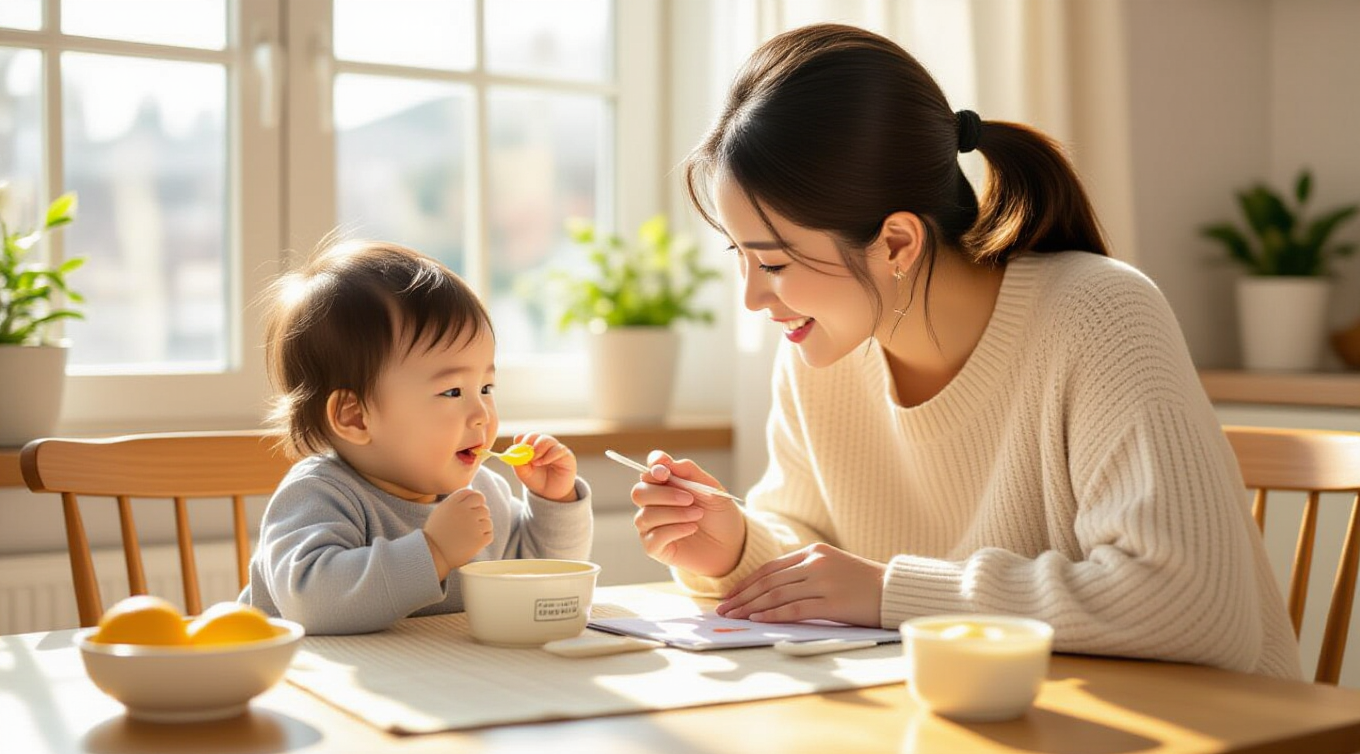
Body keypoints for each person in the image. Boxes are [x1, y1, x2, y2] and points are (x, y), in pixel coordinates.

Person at [630, 23, 1301, 678]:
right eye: (740, 258)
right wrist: (736, 548)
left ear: (897, 243)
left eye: (773, 263)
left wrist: (893, 595)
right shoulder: (821, 350)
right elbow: (813, 550)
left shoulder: (1101, 314)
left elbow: (1189, 606)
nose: (752, 299)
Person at [241, 240, 593, 634]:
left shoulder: (483, 492)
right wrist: (434, 551)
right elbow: (310, 603)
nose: (482, 414)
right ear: (355, 417)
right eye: (452, 392)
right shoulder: (320, 496)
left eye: (487, 388)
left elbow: (538, 581)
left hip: (433, 680)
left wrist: (555, 503)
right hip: (311, 686)